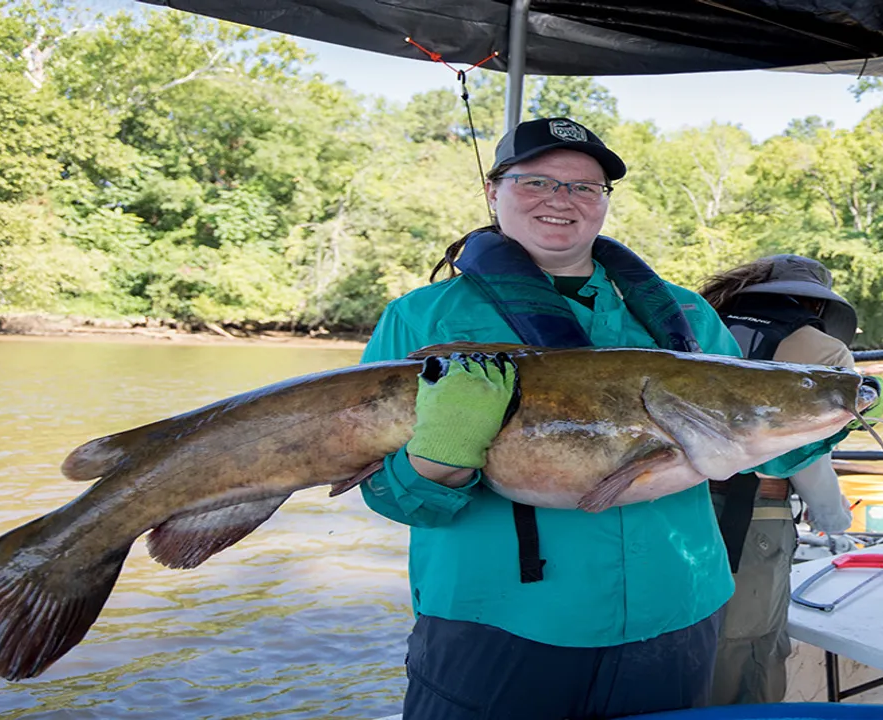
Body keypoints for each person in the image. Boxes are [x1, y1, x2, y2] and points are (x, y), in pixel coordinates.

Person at [357, 118, 854, 720]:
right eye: (537, 181)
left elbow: (763, 451)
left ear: (603, 201)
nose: (561, 199)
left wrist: (830, 413)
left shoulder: (688, 314)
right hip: (495, 620)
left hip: (676, 611)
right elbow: (390, 497)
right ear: (494, 190)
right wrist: (438, 458)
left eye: (584, 187)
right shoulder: (420, 320)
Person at [698, 255, 883, 705]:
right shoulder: (822, 351)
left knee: (689, 635)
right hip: (752, 518)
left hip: (677, 505)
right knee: (748, 648)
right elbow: (804, 458)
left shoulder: (701, 325)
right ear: (817, 304)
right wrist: (832, 518)